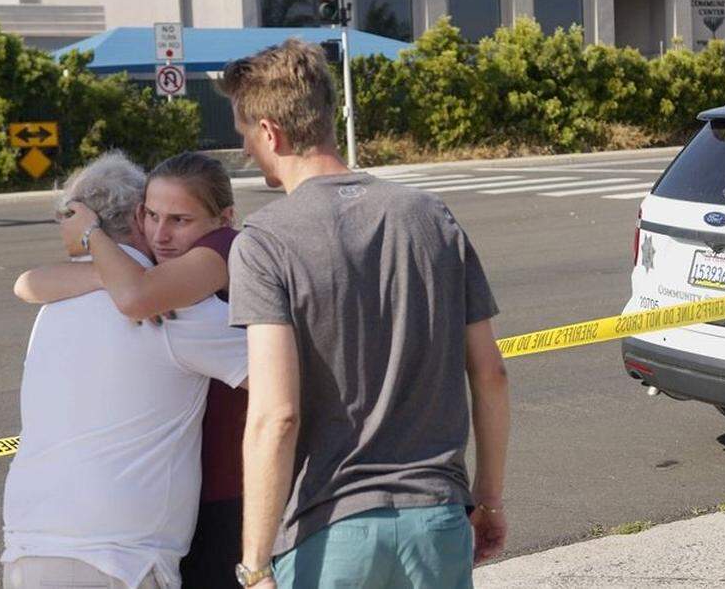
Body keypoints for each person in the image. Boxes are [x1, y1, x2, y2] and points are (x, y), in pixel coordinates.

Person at [219, 40, 512, 589]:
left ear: (269, 133)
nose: (246, 153)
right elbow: (491, 374)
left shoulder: (264, 242)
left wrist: (254, 565)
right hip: (437, 519)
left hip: (328, 532)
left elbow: (275, 417)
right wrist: (488, 499)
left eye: (244, 138)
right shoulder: (431, 216)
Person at [1, 151, 248, 589]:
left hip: (27, 548)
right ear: (138, 215)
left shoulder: (54, 304)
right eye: (154, 216)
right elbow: (283, 377)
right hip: (119, 561)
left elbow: (27, 283)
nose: (162, 232)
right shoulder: (171, 308)